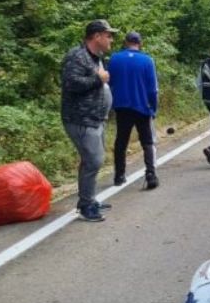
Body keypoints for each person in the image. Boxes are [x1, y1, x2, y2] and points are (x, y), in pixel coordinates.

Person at [61, 19, 118, 222]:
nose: (111, 39)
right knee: (93, 160)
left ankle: (89, 199)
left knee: (92, 160)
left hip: (95, 118)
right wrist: (98, 79)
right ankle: (86, 206)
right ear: (97, 36)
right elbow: (70, 83)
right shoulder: (77, 57)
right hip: (81, 119)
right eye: (108, 35)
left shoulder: (96, 57)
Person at [108, 32, 159, 190]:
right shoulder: (147, 60)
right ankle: (150, 174)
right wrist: (154, 107)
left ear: (125, 42)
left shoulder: (114, 59)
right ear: (140, 43)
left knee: (121, 141)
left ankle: (119, 175)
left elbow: (110, 84)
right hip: (142, 106)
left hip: (122, 106)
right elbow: (152, 89)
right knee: (147, 142)